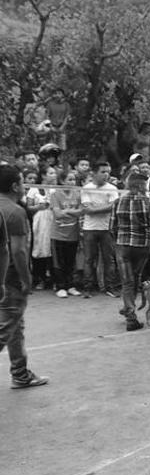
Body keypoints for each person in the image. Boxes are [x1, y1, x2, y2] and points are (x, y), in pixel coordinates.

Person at [0, 165, 49, 388]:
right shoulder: (15, 212)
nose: (24, 186)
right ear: (14, 186)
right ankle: (20, 373)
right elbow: (18, 251)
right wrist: (26, 279)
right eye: (22, 182)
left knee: (15, 325)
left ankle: (20, 373)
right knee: (6, 327)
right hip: (9, 278)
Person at [110, 173, 150, 331]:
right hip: (141, 246)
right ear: (138, 186)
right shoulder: (149, 202)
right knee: (136, 278)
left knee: (127, 281)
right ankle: (130, 312)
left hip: (123, 245)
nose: (146, 188)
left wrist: (119, 239)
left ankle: (129, 311)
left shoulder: (118, 201)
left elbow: (112, 227)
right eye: (145, 185)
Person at [80, 162, 120, 298]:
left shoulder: (112, 188)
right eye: (103, 172)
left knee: (109, 259)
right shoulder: (86, 188)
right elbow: (87, 209)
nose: (106, 175)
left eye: (108, 172)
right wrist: (105, 207)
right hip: (89, 228)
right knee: (89, 259)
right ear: (94, 173)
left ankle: (110, 287)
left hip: (106, 228)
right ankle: (88, 288)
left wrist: (94, 209)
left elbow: (113, 206)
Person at [50, 169, 84, 298]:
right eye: (69, 179)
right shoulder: (55, 194)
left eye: (74, 179)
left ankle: (70, 286)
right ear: (62, 181)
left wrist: (66, 211)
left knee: (70, 261)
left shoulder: (77, 194)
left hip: (73, 233)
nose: (72, 182)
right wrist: (73, 211)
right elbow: (57, 214)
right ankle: (60, 286)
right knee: (59, 262)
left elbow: (82, 211)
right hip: (57, 234)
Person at [25, 166, 57, 289]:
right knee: (39, 248)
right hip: (39, 222)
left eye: (54, 173)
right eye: (51, 173)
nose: (54, 175)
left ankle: (54, 279)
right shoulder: (33, 190)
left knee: (52, 249)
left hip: (52, 220)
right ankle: (40, 278)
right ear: (43, 175)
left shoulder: (55, 189)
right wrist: (39, 207)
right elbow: (29, 207)